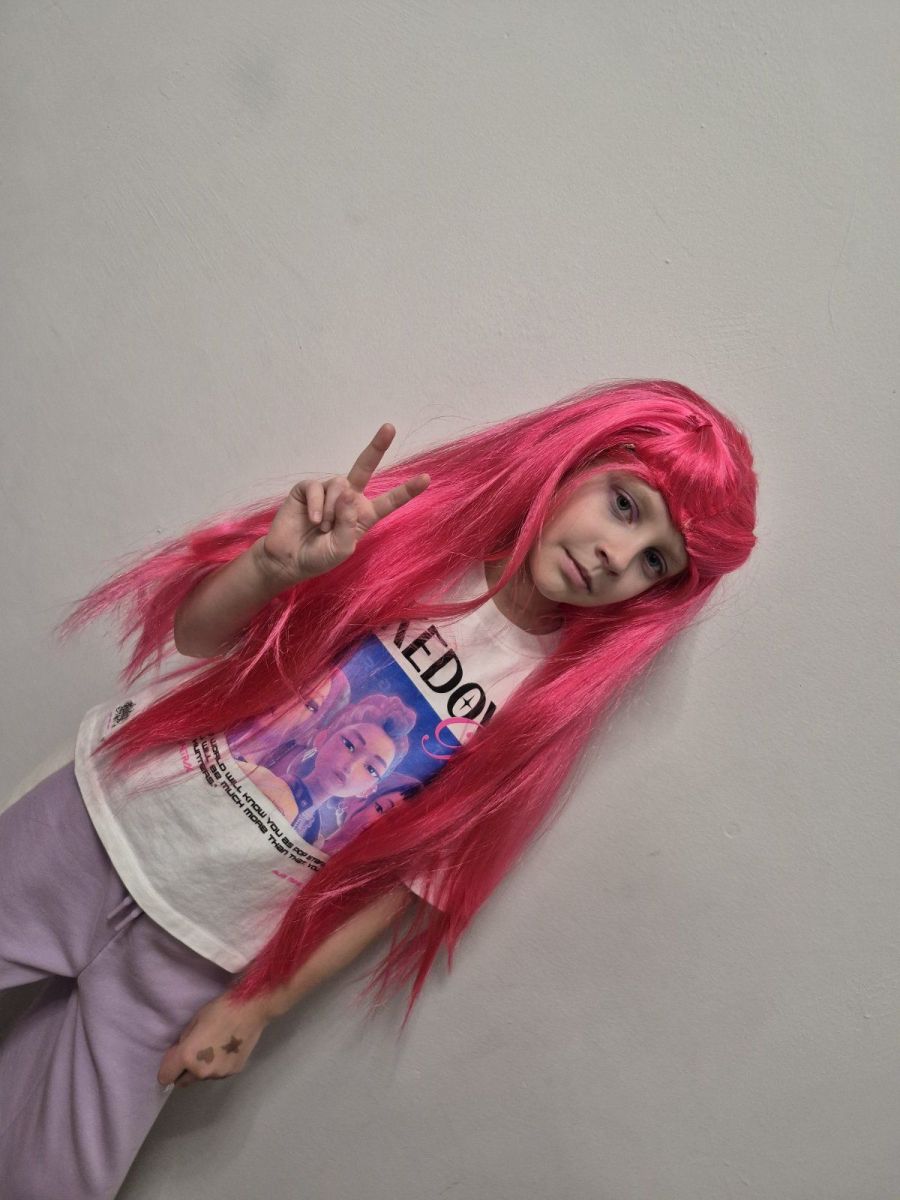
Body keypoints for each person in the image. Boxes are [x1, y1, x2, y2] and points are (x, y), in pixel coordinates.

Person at [0, 378, 758, 1198]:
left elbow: (402, 886)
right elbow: (196, 636)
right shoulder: (411, 535)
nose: (618, 556)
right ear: (575, 460)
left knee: (54, 1181)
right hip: (92, 826)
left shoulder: (542, 711)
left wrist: (259, 1004)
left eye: (655, 562)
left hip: (198, 948)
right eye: (625, 505)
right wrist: (266, 569)